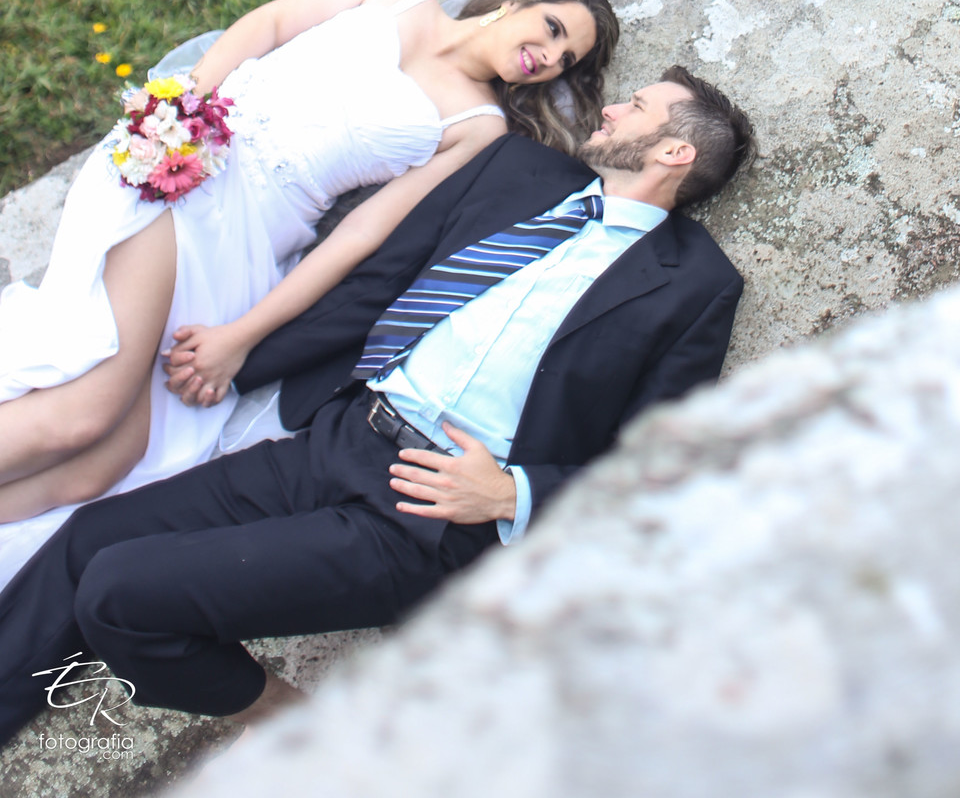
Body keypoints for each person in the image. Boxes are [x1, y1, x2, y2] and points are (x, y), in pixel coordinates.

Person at [0, 67, 754, 745]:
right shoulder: (520, 171)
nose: (613, 108)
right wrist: (236, 357)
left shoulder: (695, 284)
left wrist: (511, 495)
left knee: (121, 592)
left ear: (674, 152)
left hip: (431, 514)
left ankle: (291, 721)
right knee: (89, 539)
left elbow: (658, 467)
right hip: (342, 437)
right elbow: (381, 279)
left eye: (637, 106)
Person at [0, 0, 616, 574]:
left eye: (566, 60)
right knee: (88, 413)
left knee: (113, 458)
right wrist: (178, 116)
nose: (549, 56)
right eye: (553, 29)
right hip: (181, 174)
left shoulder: (479, 127)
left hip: (250, 245)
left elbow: (360, 234)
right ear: (518, 1)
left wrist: (241, 338)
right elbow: (269, 24)